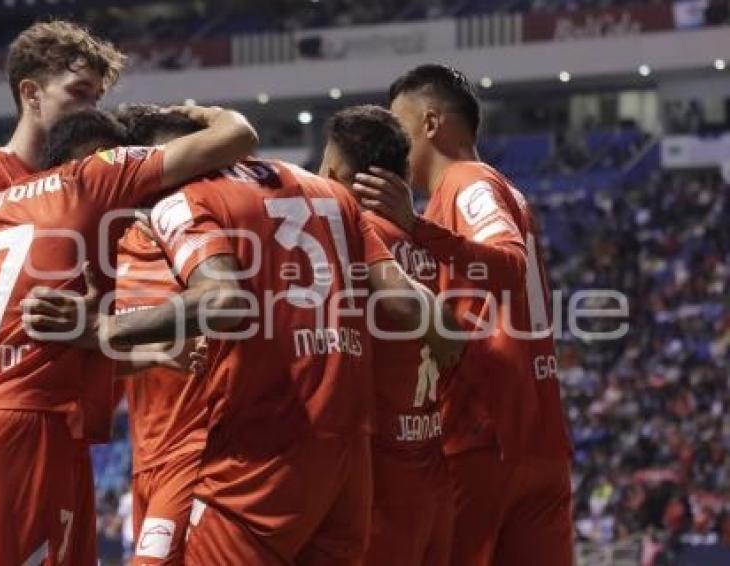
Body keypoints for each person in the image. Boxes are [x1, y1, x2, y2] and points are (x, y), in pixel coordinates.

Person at [23, 156, 463, 563]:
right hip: (177, 459)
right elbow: (408, 305)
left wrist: (109, 331)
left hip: (225, 455)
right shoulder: (115, 257)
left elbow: (230, 305)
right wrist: (149, 351)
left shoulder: (202, 221)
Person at [0, 105, 258, 565]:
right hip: (23, 437)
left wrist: (153, 353)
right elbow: (237, 136)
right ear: (101, 154)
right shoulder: (95, 175)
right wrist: (205, 112)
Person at [352, 63, 574, 566]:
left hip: (482, 434)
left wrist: (417, 228)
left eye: (397, 123)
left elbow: (510, 264)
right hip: (537, 439)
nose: (392, 139)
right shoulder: (494, 189)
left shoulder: (466, 182)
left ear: (430, 124)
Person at [0, 21, 127, 563]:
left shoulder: (97, 184)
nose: (92, 109)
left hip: (68, 434)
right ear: (30, 92)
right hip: (19, 431)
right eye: (79, 94)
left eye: (98, 98)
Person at [319, 104, 451, 566]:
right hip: (429, 470)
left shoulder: (354, 235)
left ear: (335, 174)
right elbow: (453, 346)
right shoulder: (423, 241)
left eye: (322, 168)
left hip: (379, 476)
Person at [115, 105, 210, 565]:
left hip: (200, 452)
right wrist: (154, 353)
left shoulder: (215, 247)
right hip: (145, 458)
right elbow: (93, 354)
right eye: (173, 165)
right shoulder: (114, 250)